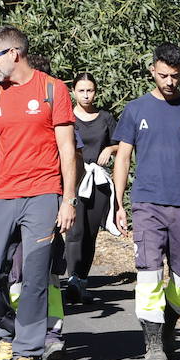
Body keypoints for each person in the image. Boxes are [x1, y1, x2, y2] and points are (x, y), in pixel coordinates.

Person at [0, 27, 77, 360]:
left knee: (34, 276)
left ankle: (27, 350)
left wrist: (68, 200)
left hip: (43, 194)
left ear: (14, 53)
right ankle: (7, 329)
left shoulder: (51, 89)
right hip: (0, 195)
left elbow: (67, 150)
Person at [112, 42, 180, 360]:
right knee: (149, 274)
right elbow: (124, 156)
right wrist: (119, 203)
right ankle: (153, 344)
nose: (169, 81)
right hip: (147, 203)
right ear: (152, 72)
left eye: (175, 76)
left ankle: (168, 323)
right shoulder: (136, 109)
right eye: (163, 75)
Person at [63, 72, 117, 303]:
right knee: (75, 231)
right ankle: (71, 279)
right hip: (75, 179)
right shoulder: (66, 118)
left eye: (90, 90)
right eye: (82, 90)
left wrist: (110, 150)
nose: (86, 95)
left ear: (96, 91)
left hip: (98, 181)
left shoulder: (105, 118)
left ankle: (81, 281)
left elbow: (123, 145)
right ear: (73, 92)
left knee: (91, 233)